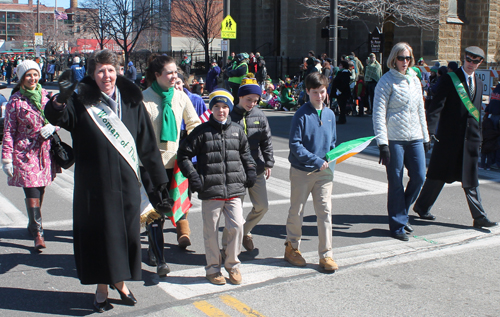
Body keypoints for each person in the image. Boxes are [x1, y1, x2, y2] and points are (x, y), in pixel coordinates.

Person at [44, 49, 172, 312]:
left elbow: (147, 145)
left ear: (119, 71)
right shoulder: (81, 101)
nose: (106, 75)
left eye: (111, 70)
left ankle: (119, 281)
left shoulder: (132, 101)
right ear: (93, 73)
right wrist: (61, 97)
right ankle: (103, 286)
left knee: (125, 235)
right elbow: (57, 117)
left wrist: (160, 184)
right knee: (99, 236)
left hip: (127, 183)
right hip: (94, 183)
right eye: (101, 70)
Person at [177, 89, 257, 285]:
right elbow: (183, 154)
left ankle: (232, 264)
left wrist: (251, 170)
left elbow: (246, 155)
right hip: (211, 190)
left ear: (229, 109)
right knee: (211, 231)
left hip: (234, 189)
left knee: (237, 226)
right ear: (211, 108)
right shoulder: (201, 131)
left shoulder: (238, 131)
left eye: (224, 107)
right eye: (217, 107)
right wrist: (193, 176)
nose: (221, 111)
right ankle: (213, 269)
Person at [413, 46, 498, 229]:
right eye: (469, 59)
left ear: (480, 63)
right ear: (464, 58)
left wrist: (480, 137)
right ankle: (421, 206)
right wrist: (430, 131)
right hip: (449, 139)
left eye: (476, 61)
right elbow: (436, 107)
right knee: (437, 175)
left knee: (470, 178)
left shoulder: (479, 82)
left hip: (470, 140)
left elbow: (476, 114)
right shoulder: (449, 79)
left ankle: (479, 216)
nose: (471, 64)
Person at [141, 54, 201, 276]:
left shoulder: (181, 97)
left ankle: (158, 246)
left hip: (175, 162)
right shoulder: (143, 98)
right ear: (157, 75)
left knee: (173, 206)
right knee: (155, 210)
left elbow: (193, 123)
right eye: (169, 72)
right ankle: (159, 259)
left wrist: (191, 146)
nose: (174, 76)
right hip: (149, 163)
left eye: (176, 72)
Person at [372, 42, 430, 241]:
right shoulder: (386, 81)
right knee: (395, 182)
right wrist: (383, 143)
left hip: (415, 136)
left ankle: (402, 213)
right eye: (401, 58)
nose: (404, 62)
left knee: (420, 176)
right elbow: (378, 114)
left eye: (408, 58)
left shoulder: (415, 80)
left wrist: (426, 136)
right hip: (394, 138)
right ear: (393, 59)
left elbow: (420, 109)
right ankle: (397, 225)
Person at [1, 60, 59, 251]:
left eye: (35, 74)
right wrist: (7, 158)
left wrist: (53, 126)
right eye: (28, 75)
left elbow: (61, 117)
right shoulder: (15, 101)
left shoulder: (47, 96)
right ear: (21, 78)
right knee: (32, 190)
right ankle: (38, 233)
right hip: (24, 152)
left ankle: (33, 223)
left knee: (40, 189)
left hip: (44, 152)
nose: (32, 78)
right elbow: (9, 131)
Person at [285, 72, 338, 271]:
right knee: (297, 210)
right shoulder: (301, 114)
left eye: (322, 92)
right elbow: (295, 145)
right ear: (307, 92)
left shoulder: (330, 114)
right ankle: (292, 247)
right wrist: (315, 160)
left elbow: (332, 142)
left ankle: (326, 255)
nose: (319, 96)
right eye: (315, 92)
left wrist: (334, 156)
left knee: (325, 211)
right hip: (302, 171)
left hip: (324, 172)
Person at [221, 75, 274, 252]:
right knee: (234, 213)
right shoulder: (229, 116)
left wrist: (268, 163)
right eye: (249, 99)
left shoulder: (259, 116)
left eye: (256, 100)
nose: (252, 103)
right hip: (235, 171)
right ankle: (226, 247)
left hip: (256, 168)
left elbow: (266, 141)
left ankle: (244, 231)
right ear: (240, 97)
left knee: (262, 206)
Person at [330, 60, 352, 124]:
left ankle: (342, 119)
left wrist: (339, 90)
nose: (339, 66)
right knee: (341, 106)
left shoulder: (345, 73)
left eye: (340, 65)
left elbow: (343, 83)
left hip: (342, 92)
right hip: (340, 91)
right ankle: (342, 118)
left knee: (342, 106)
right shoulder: (341, 72)